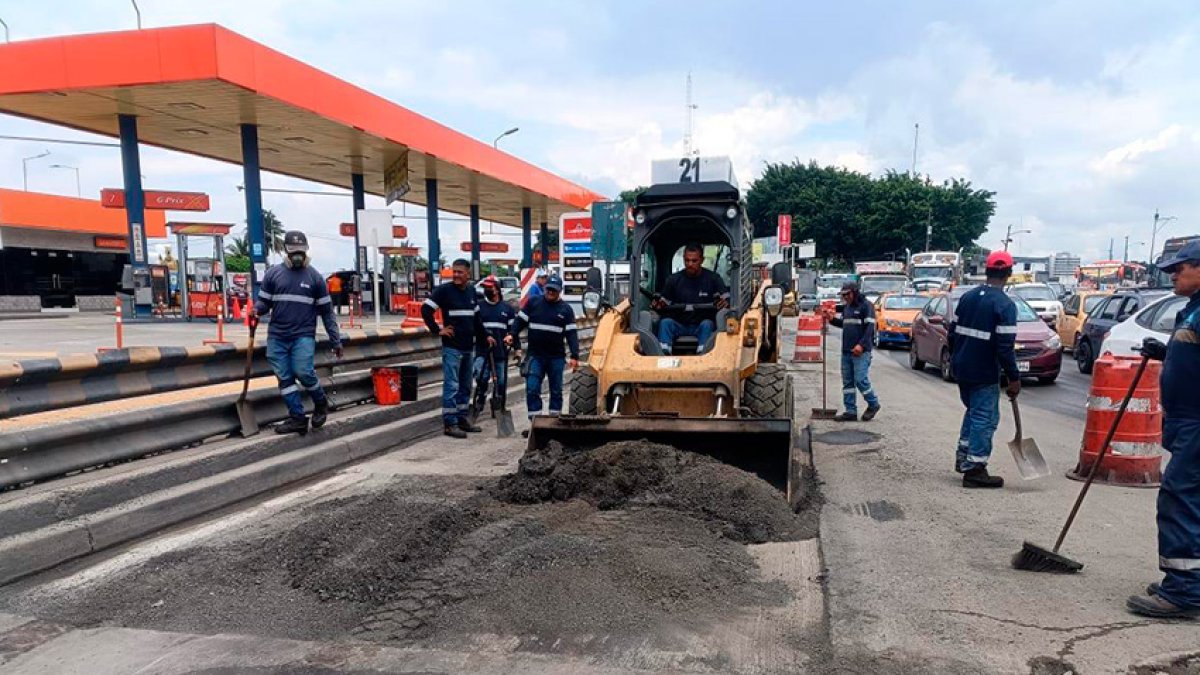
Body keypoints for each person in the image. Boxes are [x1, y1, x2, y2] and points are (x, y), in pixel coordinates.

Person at [1126, 240, 1200, 619]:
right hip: (1186, 421)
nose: (1173, 274)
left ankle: (1185, 591)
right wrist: (1166, 353)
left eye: (1180, 268)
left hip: (1197, 424)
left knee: (1179, 498)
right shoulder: (1193, 310)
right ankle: (1191, 581)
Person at [251, 230, 342, 436]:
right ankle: (298, 418)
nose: (298, 256)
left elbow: (327, 314)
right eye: (293, 252)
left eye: (301, 251)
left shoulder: (315, 278)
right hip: (277, 337)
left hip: (303, 336)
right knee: (284, 378)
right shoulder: (273, 274)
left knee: (303, 372)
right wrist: (256, 310)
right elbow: (264, 302)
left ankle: (321, 403)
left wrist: (335, 340)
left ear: (307, 251)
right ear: (286, 252)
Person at [947, 251, 1020, 489]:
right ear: (1008, 274)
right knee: (984, 418)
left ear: (987, 272)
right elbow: (1005, 347)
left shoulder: (967, 298)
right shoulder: (1004, 305)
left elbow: (952, 333)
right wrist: (1014, 377)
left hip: (961, 368)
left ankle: (964, 458)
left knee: (973, 412)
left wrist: (958, 358)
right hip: (983, 371)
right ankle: (975, 468)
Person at [422, 259, 484, 439]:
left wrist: (485, 336)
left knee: (465, 385)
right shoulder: (444, 291)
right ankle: (450, 423)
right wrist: (437, 330)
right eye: (454, 272)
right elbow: (426, 310)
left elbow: (477, 319)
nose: (456, 275)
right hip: (452, 348)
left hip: (468, 348)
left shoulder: (472, 292)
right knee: (452, 385)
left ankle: (462, 417)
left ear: (468, 274)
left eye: (460, 272)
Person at [506, 274, 579, 426]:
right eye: (549, 289)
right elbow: (519, 321)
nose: (551, 292)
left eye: (554, 290)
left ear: (560, 291)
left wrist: (575, 355)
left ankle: (554, 423)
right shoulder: (533, 303)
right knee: (532, 389)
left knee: (556, 391)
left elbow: (571, 334)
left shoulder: (566, 310)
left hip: (556, 358)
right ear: (545, 288)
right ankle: (535, 424)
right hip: (535, 356)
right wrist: (512, 335)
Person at [652, 243, 729, 354]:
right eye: (687, 260)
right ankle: (663, 355)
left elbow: (727, 299)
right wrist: (659, 305)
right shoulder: (674, 280)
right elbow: (664, 301)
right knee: (665, 323)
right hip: (680, 324)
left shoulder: (713, 279)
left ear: (702, 260)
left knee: (707, 324)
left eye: (694, 261)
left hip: (702, 325)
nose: (690, 264)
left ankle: (703, 354)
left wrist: (724, 303)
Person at [827, 281, 881, 422]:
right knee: (848, 382)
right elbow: (844, 324)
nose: (846, 297)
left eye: (848, 294)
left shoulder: (866, 306)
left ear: (855, 292)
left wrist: (861, 346)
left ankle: (873, 403)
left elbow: (870, 328)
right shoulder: (847, 307)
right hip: (847, 351)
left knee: (860, 380)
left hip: (861, 352)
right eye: (843, 295)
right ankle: (850, 411)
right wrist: (832, 320)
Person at [470, 275, 518, 421]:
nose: (486, 290)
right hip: (482, 351)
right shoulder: (479, 307)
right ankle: (480, 400)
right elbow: (474, 327)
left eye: (489, 287)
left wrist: (516, 347)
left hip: (500, 353)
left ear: (496, 289)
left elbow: (513, 331)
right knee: (481, 377)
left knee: (501, 382)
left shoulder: (507, 309)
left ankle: (499, 406)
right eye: (485, 287)